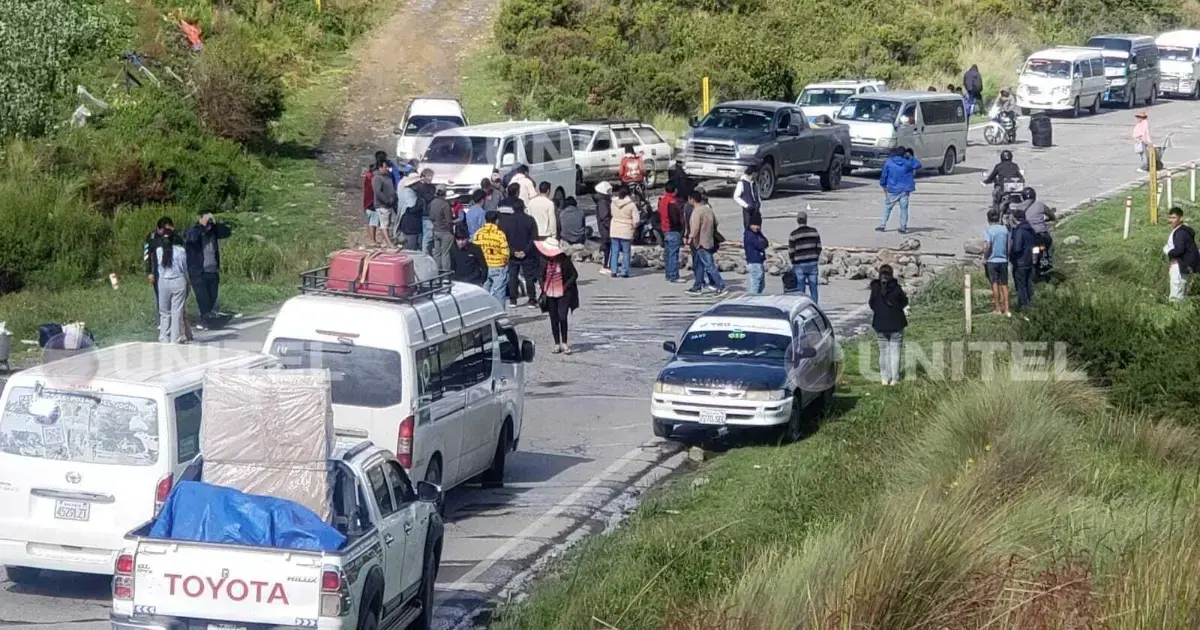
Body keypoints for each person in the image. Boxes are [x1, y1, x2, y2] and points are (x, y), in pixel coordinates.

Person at [184, 213, 232, 327]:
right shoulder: (193, 230)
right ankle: (205, 320)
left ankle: (209, 321)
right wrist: (202, 225)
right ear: (200, 219)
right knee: (203, 299)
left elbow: (227, 232)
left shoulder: (213, 231)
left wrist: (215, 223)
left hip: (213, 271)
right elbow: (192, 239)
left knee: (212, 299)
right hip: (198, 272)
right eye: (207, 220)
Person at [536, 238, 580, 354]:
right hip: (549, 293)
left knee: (562, 317)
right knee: (553, 318)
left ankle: (564, 342)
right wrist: (543, 288)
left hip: (564, 293)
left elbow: (574, 275)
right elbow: (540, 275)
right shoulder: (543, 260)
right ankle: (557, 343)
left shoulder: (564, 260)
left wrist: (565, 287)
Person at [869, 264, 908, 386]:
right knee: (895, 352)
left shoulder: (875, 288)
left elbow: (871, 304)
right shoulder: (896, 288)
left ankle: (884, 378)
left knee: (883, 352)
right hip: (896, 323)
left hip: (880, 324)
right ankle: (894, 379)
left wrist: (880, 311)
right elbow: (904, 302)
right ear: (891, 275)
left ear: (880, 275)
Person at [497, 191, 538, 308]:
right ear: (523, 207)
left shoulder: (506, 222)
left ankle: (513, 300)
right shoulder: (530, 220)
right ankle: (532, 299)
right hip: (528, 253)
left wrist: (513, 251)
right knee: (529, 277)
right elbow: (534, 238)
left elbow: (504, 240)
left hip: (512, 253)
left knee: (513, 277)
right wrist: (525, 251)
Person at [685, 190, 727, 296]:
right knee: (700, 265)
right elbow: (716, 223)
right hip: (709, 241)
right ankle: (697, 286)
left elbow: (695, 228)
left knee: (709, 266)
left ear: (692, 200)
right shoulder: (708, 209)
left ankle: (720, 286)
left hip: (700, 243)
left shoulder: (697, 211)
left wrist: (689, 239)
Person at [877, 146, 921, 233]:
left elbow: (884, 175)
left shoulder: (889, 162)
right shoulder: (907, 163)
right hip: (904, 189)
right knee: (904, 209)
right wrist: (910, 157)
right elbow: (918, 164)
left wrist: (883, 184)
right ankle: (903, 227)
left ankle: (882, 225)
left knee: (888, 207)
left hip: (892, 189)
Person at [155, 232, 189, 344]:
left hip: (163, 281)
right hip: (178, 280)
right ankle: (175, 338)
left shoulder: (159, 251)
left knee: (164, 312)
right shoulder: (181, 251)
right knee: (176, 311)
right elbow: (184, 267)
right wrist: (188, 280)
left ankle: (164, 337)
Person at [474, 210, 510, 302]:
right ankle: (499, 310)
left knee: (484, 293)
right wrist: (505, 263)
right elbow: (505, 252)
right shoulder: (499, 234)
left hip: (483, 266)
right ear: (497, 221)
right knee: (499, 293)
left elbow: (474, 250)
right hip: (498, 266)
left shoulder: (478, 233)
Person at [1165, 207, 1198, 301]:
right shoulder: (1184, 230)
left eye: (1174, 218)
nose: (1171, 220)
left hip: (1179, 265)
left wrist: (1168, 252)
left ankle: (1175, 309)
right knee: (1182, 293)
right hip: (1184, 265)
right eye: (1170, 217)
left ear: (1181, 218)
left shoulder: (1181, 233)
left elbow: (1180, 250)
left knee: (1176, 295)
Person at [788, 211, 822, 303]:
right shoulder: (814, 232)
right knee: (813, 287)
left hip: (799, 264)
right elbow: (819, 247)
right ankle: (814, 306)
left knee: (800, 288)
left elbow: (791, 251)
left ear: (797, 221)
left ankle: (801, 305)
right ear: (806, 220)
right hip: (812, 262)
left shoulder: (794, 234)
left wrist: (793, 261)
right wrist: (816, 257)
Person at [983, 209, 1011, 317]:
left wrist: (985, 257)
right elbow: (1008, 244)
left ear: (988, 219)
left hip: (992, 260)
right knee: (1004, 285)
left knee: (994, 284)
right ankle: (1007, 309)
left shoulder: (988, 231)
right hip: (1003, 260)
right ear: (999, 218)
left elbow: (987, 245)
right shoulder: (1004, 229)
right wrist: (1007, 256)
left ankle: (998, 309)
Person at [609, 184, 639, 278]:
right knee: (626, 252)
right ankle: (624, 271)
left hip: (614, 229)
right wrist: (634, 227)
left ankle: (613, 270)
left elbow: (612, 214)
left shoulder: (613, 203)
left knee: (615, 251)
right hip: (626, 230)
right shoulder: (631, 205)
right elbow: (636, 220)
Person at [1009, 209, 1037, 310]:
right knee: (1028, 283)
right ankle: (1028, 302)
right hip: (1029, 260)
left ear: (1015, 219)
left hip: (1020, 262)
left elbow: (1017, 248)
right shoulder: (1030, 229)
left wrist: (1011, 255)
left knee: (1020, 285)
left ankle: (1025, 306)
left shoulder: (1019, 231)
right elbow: (1035, 246)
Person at [659, 184, 685, 283]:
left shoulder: (662, 200)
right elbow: (676, 218)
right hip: (673, 229)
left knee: (667, 253)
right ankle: (674, 276)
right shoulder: (673, 202)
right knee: (674, 254)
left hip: (664, 228)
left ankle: (668, 274)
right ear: (675, 190)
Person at [370, 159, 397, 248]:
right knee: (384, 225)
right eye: (385, 167)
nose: (387, 169)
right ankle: (389, 243)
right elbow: (377, 192)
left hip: (390, 205)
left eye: (388, 167)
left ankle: (385, 242)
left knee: (390, 224)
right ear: (380, 167)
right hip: (382, 205)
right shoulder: (377, 178)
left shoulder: (388, 177)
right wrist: (386, 200)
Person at [429, 186, 456, 272]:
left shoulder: (432, 202)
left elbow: (431, 217)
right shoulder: (445, 204)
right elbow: (449, 220)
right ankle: (446, 274)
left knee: (437, 253)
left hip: (436, 230)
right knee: (445, 253)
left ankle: (437, 272)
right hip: (445, 232)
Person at [412, 169, 438, 255]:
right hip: (424, 214)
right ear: (423, 176)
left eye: (431, 176)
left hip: (429, 214)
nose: (430, 178)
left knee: (428, 236)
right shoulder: (418, 187)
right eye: (429, 176)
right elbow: (427, 198)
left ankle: (426, 253)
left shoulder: (432, 187)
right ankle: (425, 255)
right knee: (427, 237)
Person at [397, 173, 424, 250]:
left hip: (411, 223)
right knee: (411, 247)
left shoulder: (412, 192)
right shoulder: (408, 193)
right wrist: (421, 201)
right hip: (410, 224)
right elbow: (412, 208)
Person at [744, 218, 769, 294]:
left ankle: (758, 297)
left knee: (761, 285)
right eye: (755, 225)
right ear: (750, 225)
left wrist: (760, 235)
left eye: (758, 225)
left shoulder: (757, 233)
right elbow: (760, 245)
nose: (757, 227)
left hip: (759, 261)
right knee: (756, 284)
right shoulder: (749, 235)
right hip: (754, 262)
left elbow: (766, 243)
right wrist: (762, 242)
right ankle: (753, 299)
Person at [594, 181, 614, 274]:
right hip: (606, 228)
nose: (611, 192)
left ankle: (607, 264)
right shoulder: (603, 202)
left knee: (607, 245)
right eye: (609, 190)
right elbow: (604, 217)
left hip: (604, 227)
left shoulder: (603, 201)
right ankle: (606, 265)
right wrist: (610, 227)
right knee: (608, 246)